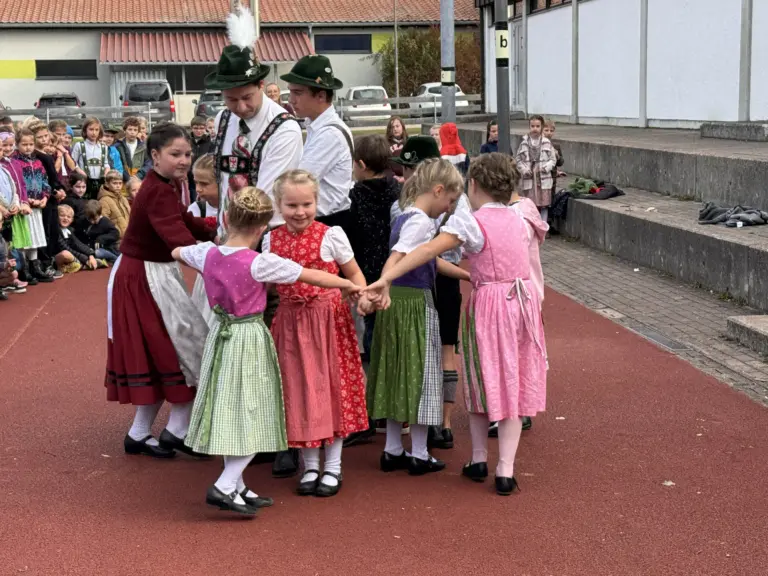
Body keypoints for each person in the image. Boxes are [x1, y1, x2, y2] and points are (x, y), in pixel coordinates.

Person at [364, 153, 548, 496]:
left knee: (480, 379)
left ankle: (478, 459)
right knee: (513, 380)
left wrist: (386, 277)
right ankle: (505, 469)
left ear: (473, 185)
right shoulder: (522, 216)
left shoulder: (471, 222)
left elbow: (427, 250)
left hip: (488, 303)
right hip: (521, 303)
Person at [174, 186, 362, 516]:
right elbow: (309, 275)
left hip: (220, 335)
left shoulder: (205, 254)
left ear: (227, 218)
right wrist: (347, 284)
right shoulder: (260, 263)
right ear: (262, 227)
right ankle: (225, 484)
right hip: (248, 337)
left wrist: (201, 252)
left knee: (231, 405)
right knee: (257, 411)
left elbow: (178, 251)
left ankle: (238, 485)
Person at [207, 4, 304, 478]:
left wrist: (236, 255)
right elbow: (222, 181)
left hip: (268, 242)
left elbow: (264, 198)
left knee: (274, 339)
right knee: (235, 342)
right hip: (232, 241)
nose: (240, 107)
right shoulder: (224, 121)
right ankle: (244, 430)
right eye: (231, 99)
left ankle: (285, 434)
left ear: (263, 86)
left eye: (246, 98)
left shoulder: (283, 128)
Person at [105, 122, 216, 459]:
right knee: (183, 347)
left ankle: (143, 433)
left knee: (169, 350)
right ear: (155, 155)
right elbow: (175, 235)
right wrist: (220, 261)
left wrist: (215, 229)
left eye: (188, 154)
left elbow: (183, 221)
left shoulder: (164, 184)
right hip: (144, 277)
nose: (184, 160)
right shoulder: (157, 190)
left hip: (150, 272)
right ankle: (175, 430)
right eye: (175, 154)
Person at [263, 170, 369, 497]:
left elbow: (355, 275)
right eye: (292, 205)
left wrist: (362, 297)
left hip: (328, 322)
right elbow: (266, 286)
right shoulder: (270, 240)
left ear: (317, 202)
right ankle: (309, 465)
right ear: (279, 205)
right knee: (298, 391)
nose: (300, 212)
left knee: (330, 389)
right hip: (290, 324)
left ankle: (333, 466)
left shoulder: (331, 235)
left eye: (306, 204)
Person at [365, 158, 469, 476]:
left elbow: (426, 260)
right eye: (450, 200)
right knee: (422, 374)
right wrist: (383, 281)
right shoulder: (422, 222)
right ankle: (420, 453)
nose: (449, 208)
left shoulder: (404, 215)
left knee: (396, 370)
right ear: (437, 190)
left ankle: (393, 448)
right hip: (413, 304)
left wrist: (467, 275)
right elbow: (400, 256)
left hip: (395, 302)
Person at [344, 134, 401, 447]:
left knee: (370, 341)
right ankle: (392, 407)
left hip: (365, 274)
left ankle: (371, 409)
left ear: (362, 165)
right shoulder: (398, 191)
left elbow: (350, 235)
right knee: (392, 340)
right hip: (395, 273)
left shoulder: (355, 196)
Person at [282, 55, 353, 231]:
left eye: (297, 93)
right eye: (291, 92)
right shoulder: (318, 128)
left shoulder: (330, 134)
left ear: (321, 96)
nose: (291, 100)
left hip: (328, 223)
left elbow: (297, 183)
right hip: (321, 219)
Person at [11, 129, 54, 282]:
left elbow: (45, 181)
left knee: (35, 236)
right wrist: (26, 200)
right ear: (17, 144)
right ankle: (24, 269)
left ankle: (35, 267)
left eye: (30, 144)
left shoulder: (37, 162)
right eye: (24, 144)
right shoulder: (15, 162)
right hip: (24, 207)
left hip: (37, 206)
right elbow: (16, 184)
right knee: (25, 237)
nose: (28, 147)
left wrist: (45, 197)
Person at [516, 115, 555, 222]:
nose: (535, 129)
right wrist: (524, 170)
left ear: (541, 127)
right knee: (530, 204)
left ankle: (543, 224)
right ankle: (532, 224)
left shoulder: (547, 142)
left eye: (537, 126)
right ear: (529, 127)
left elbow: (553, 159)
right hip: (529, 178)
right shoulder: (524, 143)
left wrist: (545, 167)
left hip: (543, 177)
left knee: (544, 204)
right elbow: (518, 160)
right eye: (532, 126)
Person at [55, 204, 105, 273]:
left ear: (72, 220)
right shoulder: (55, 230)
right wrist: (86, 259)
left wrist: (90, 255)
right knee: (65, 254)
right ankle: (82, 265)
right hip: (56, 258)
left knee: (87, 249)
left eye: (68, 217)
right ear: (56, 217)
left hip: (71, 257)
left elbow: (78, 244)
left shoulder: (69, 230)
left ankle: (78, 265)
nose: (65, 218)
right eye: (62, 216)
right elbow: (65, 248)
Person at [72, 117, 110, 200]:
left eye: (96, 130)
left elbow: (106, 163)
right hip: (84, 182)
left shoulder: (104, 147)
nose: (94, 133)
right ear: (85, 130)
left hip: (100, 181)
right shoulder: (79, 145)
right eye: (91, 129)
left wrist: (106, 172)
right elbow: (73, 163)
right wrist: (81, 172)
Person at [98, 170, 131, 238]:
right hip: (116, 239)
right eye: (115, 183)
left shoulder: (123, 199)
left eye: (120, 183)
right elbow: (104, 224)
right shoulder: (104, 201)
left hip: (129, 236)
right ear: (107, 184)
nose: (118, 186)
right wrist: (117, 233)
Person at [188, 116, 213, 202]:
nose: (199, 131)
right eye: (196, 128)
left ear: (205, 128)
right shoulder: (187, 141)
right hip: (189, 177)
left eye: (201, 128)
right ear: (191, 128)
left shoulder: (210, 142)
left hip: (203, 177)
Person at [115, 117, 147, 181]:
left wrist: (138, 176)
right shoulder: (118, 146)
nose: (132, 132)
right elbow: (117, 165)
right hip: (122, 182)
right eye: (130, 129)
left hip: (140, 181)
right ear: (124, 130)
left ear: (138, 131)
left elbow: (148, 165)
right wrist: (128, 178)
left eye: (135, 130)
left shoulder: (145, 147)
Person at [543, 119, 565, 193]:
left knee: (551, 196)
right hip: (540, 179)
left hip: (552, 179)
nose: (549, 133)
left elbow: (560, 163)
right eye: (546, 130)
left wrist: (557, 156)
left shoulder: (556, 146)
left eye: (551, 131)